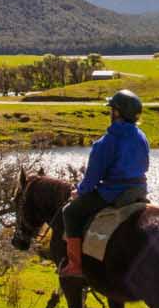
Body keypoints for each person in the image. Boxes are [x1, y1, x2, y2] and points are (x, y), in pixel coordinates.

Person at [60, 89, 150, 277]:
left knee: (70, 212)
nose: (110, 113)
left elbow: (92, 178)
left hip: (114, 192)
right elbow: (145, 165)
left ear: (117, 113)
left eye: (112, 110)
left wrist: (80, 192)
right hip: (139, 189)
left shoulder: (106, 142)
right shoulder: (141, 136)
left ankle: (75, 266)